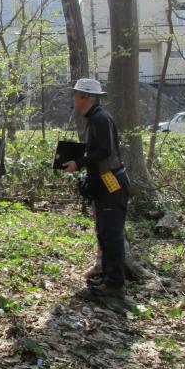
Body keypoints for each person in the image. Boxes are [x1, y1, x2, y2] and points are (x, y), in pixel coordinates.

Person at [63, 78, 130, 299]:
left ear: (87, 97)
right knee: (104, 232)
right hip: (103, 185)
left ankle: (114, 285)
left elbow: (105, 150)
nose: (73, 99)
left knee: (112, 234)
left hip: (112, 184)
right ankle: (108, 276)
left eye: (76, 95)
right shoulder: (94, 119)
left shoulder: (100, 119)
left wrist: (78, 163)